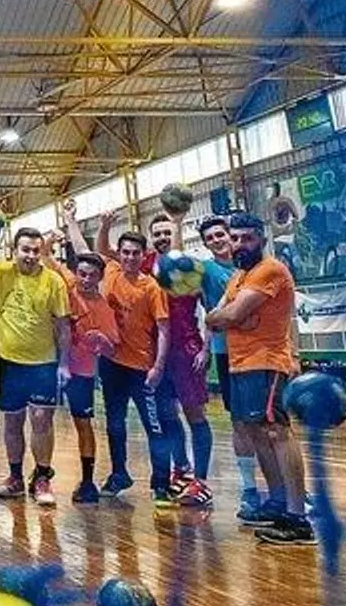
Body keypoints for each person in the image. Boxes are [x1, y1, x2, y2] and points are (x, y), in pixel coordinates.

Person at [205, 212, 313, 546]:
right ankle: (277, 502)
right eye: (235, 238)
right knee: (256, 433)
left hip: (267, 363)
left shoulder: (270, 270)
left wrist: (231, 317)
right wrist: (227, 317)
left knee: (276, 432)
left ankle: (297, 518)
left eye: (247, 238)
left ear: (261, 239)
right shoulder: (239, 276)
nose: (240, 244)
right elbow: (214, 318)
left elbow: (230, 314)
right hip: (240, 364)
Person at [99, 207, 215, 506]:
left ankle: (200, 481)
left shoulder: (190, 268)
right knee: (167, 416)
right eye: (158, 234)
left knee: (194, 414)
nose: (163, 238)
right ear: (151, 239)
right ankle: (180, 470)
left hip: (186, 351)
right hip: (153, 355)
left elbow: (212, 310)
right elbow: (106, 251)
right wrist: (101, 224)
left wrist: (206, 347)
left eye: (168, 232)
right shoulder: (146, 264)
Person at [0, 225, 70, 507]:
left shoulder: (54, 281)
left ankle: (42, 477)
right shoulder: (1, 271)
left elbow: (63, 326)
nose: (31, 255)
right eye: (25, 250)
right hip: (10, 362)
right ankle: (15, 477)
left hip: (43, 363)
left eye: (36, 250)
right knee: (13, 421)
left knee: (41, 419)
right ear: (15, 251)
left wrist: (64, 363)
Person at [81, 219, 174, 507]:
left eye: (135, 253)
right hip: (112, 364)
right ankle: (119, 474)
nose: (130, 257)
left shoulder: (152, 288)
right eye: (125, 252)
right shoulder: (111, 272)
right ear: (119, 254)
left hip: (142, 368)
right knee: (114, 424)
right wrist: (105, 225)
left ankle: (161, 483)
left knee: (153, 427)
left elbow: (164, 329)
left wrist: (158, 366)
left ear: (143, 255)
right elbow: (99, 248)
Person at [43, 232, 120, 505]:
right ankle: (41, 473)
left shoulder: (105, 309)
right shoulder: (67, 283)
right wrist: (51, 239)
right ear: (76, 272)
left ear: (100, 277)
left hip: (82, 372)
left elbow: (112, 349)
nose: (86, 280)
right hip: (50, 363)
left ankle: (87, 481)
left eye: (92, 276)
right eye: (82, 274)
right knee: (41, 419)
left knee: (83, 424)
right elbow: (45, 256)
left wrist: (102, 341)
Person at [199, 214, 261, 519]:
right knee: (239, 420)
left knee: (272, 425)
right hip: (228, 353)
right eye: (210, 238)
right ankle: (250, 488)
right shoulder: (207, 270)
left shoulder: (255, 269)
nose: (218, 241)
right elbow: (213, 314)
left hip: (262, 353)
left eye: (221, 235)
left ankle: (286, 489)